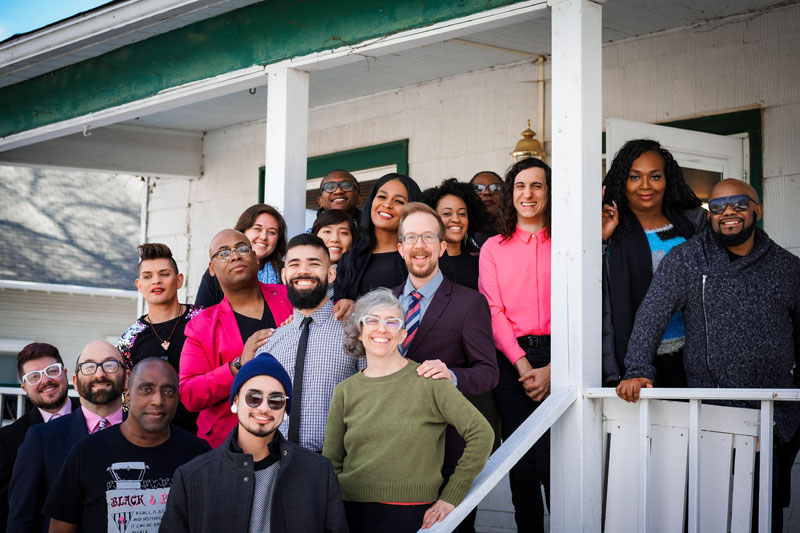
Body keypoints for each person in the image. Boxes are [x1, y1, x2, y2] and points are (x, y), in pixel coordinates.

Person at [616, 178, 800, 531]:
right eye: (717, 207)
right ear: (710, 215)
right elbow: (652, 314)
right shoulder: (687, 259)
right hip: (713, 415)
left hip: (775, 416)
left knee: (764, 513)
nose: (728, 212)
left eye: (739, 204)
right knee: (711, 514)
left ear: (757, 210)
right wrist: (637, 367)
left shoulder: (787, 267)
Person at [323, 288, 493, 533]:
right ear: (359, 331)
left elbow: (482, 434)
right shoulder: (345, 391)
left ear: (403, 334)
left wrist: (451, 495)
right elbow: (331, 460)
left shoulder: (429, 381)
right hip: (352, 512)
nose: (382, 329)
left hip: (414, 514)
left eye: (392, 322)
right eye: (372, 321)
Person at [393, 202, 499, 532]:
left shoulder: (470, 302)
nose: (419, 245)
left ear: (441, 246)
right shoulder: (383, 302)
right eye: (411, 237)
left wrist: (452, 375)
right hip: (393, 448)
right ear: (400, 248)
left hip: (447, 452)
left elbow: (488, 372)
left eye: (428, 236)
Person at [160, 353, 349, 533]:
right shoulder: (192, 477)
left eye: (276, 400)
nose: (264, 408)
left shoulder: (317, 472)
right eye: (253, 398)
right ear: (235, 401)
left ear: (285, 410)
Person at [44, 358, 210, 533]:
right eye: (146, 389)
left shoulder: (198, 455)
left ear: (177, 399)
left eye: (168, 391)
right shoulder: (87, 453)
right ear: (128, 395)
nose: (158, 400)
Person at [479, 157, 552, 533]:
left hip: (562, 355)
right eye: (521, 186)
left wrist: (554, 368)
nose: (528, 193)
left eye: (537, 185)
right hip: (510, 363)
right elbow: (493, 310)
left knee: (557, 461)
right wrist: (523, 364)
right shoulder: (493, 247)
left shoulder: (567, 242)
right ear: (511, 194)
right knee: (523, 465)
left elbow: (580, 303)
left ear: (549, 192)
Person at [601, 139, 705, 387]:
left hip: (692, 356)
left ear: (668, 180)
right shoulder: (611, 231)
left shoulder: (692, 226)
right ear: (622, 181)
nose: (645, 185)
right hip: (633, 362)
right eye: (635, 177)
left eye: (655, 176)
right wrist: (601, 240)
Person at [180, 229, 293, 448]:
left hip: (290, 433)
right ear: (212, 269)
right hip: (229, 443)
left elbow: (325, 312)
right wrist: (237, 366)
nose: (235, 256)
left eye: (242, 249)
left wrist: (344, 306)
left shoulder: (288, 297)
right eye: (223, 253)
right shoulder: (201, 326)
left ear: (255, 258)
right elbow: (189, 394)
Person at [8, 341, 128, 533]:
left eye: (110, 365)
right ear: (76, 381)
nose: (100, 374)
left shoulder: (147, 433)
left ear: (127, 378)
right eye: (89, 367)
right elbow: (22, 520)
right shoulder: (41, 438)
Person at [255, 234, 359, 452]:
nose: (303, 271)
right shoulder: (269, 345)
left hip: (338, 461)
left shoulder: (356, 334)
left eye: (314, 263)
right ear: (284, 275)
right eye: (294, 264)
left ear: (331, 274)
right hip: (277, 461)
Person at [118, 242, 203, 433]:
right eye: (147, 276)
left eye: (164, 274)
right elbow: (126, 400)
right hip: (154, 436)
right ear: (139, 285)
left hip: (205, 433)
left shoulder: (204, 319)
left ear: (179, 280)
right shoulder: (129, 340)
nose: (156, 281)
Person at [0, 343, 79, 531]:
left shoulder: (95, 418)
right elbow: (8, 510)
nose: (45, 380)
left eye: (52, 371)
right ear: (24, 388)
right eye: (34, 377)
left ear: (65, 373)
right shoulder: (8, 439)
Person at [332, 172, 422, 319]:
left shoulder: (419, 259)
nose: (387, 204)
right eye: (382, 197)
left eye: (398, 201)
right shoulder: (349, 258)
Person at [195, 204, 288, 307]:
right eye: (257, 229)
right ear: (242, 232)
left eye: (271, 232)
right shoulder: (219, 271)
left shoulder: (287, 271)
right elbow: (201, 313)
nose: (263, 237)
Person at [421, 178, 488, 291]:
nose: (456, 219)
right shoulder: (422, 263)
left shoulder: (480, 263)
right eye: (447, 213)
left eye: (462, 214)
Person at [312, 209, 357, 300]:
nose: (335, 239)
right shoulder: (300, 272)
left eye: (343, 233)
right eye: (327, 232)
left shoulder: (359, 276)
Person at [470, 171, 503, 247]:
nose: (487, 192)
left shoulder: (517, 231)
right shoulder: (459, 234)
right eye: (478, 189)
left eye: (495, 188)